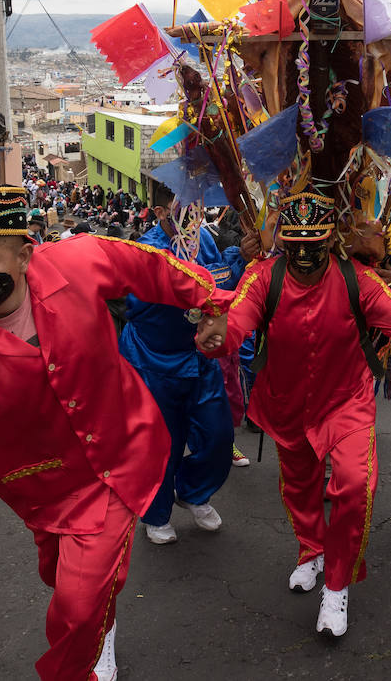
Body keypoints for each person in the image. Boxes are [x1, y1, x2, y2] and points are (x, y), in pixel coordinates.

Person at [0, 186, 233, 681]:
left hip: (124, 454)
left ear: (24, 255)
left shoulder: (79, 259)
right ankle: (98, 621)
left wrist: (212, 303)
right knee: (66, 582)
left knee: (78, 606)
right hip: (40, 496)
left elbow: (153, 268)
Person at [200, 191, 391, 639]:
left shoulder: (359, 280)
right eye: (296, 245)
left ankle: (337, 584)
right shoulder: (262, 278)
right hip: (286, 403)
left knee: (355, 484)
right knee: (299, 486)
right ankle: (310, 550)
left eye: (315, 245)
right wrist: (219, 335)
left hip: (346, 403)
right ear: (284, 243)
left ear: (332, 242)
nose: (305, 256)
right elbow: (236, 320)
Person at [118, 184, 245, 545]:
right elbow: (140, 303)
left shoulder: (202, 240)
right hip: (153, 361)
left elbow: (222, 279)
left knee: (219, 435)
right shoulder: (146, 250)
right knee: (161, 444)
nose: (194, 218)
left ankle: (193, 491)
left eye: (197, 210)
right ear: (160, 213)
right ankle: (156, 513)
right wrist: (189, 283)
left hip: (199, 358)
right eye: (184, 211)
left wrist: (240, 259)